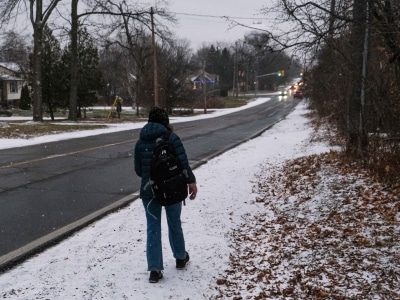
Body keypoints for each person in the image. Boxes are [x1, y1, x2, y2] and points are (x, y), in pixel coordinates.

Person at [134, 106, 198, 283]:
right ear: (165, 121)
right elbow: (183, 163)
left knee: (153, 227)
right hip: (173, 188)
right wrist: (190, 182)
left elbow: (139, 170)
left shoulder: (140, 142)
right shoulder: (172, 138)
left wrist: (152, 175)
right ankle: (180, 257)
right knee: (174, 222)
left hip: (149, 191)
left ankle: (155, 269)